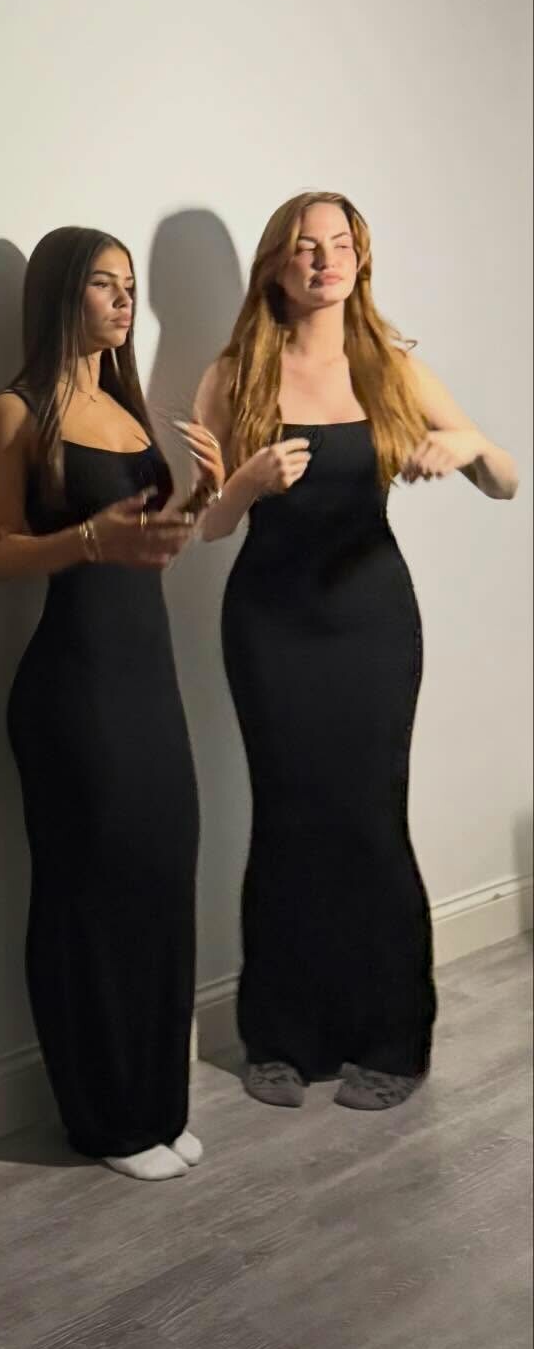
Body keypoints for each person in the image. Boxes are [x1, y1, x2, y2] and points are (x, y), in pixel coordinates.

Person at [195, 192, 518, 1111]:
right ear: (277, 263)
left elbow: (506, 480)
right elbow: (204, 524)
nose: (324, 260)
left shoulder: (391, 367)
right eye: (306, 246)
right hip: (269, 624)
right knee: (286, 817)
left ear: (359, 260)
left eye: (339, 244)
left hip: (371, 625)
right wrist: (247, 482)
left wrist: (464, 443)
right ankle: (280, 1038)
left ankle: (394, 1041)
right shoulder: (233, 375)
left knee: (370, 819)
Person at [0, 226, 222, 1180]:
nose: (124, 300)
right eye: (104, 284)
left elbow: (148, 549)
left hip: (148, 678)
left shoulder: (126, 409)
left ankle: (159, 1104)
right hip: (72, 686)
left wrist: (204, 496)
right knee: (90, 895)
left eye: (129, 285)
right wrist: (83, 539)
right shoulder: (14, 412)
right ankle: (107, 1121)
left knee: (162, 876)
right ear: (59, 295)